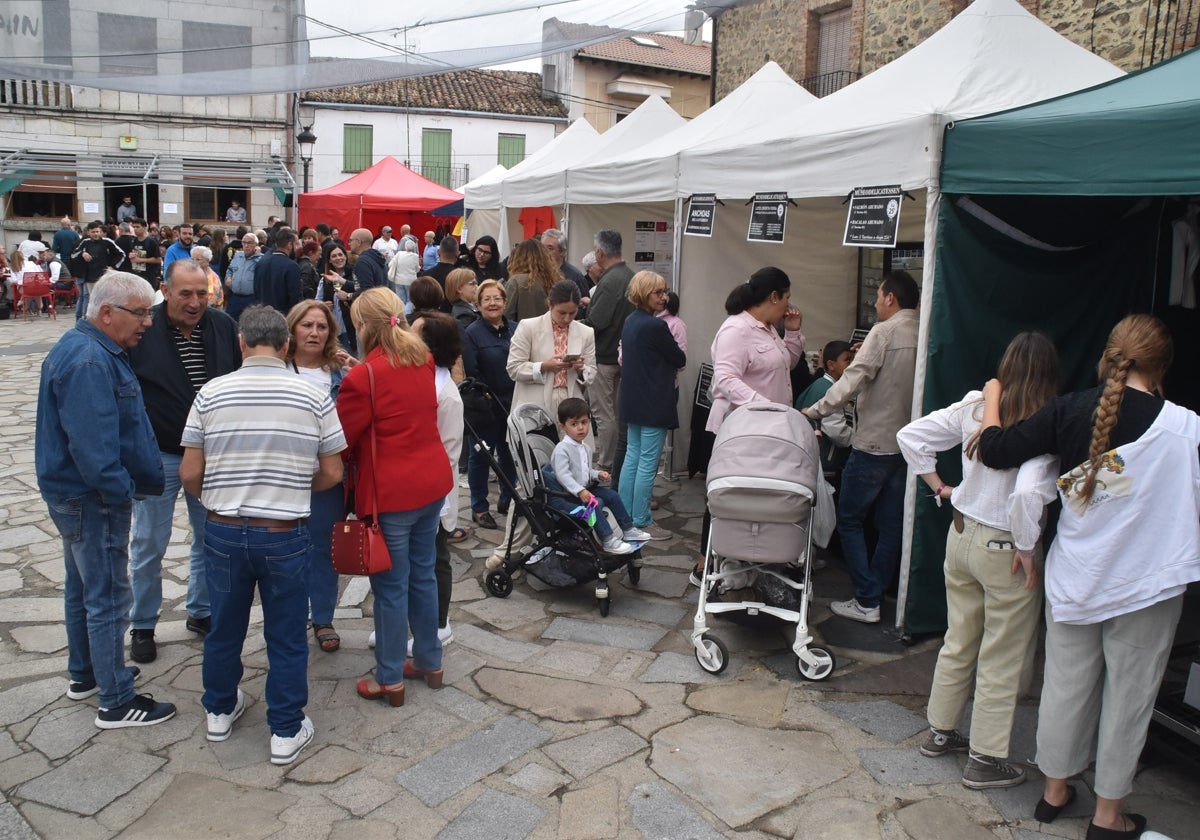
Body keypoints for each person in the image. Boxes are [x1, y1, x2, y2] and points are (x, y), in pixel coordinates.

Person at [978, 314, 1200, 839]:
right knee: (1130, 697)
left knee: (1064, 685)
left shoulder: (1069, 410)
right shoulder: (1186, 428)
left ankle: (1054, 792)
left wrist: (992, 396)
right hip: (1149, 585)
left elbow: (994, 450)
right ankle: (1108, 817)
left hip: (1076, 578)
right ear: (1163, 366)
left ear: (1108, 356)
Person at [181, 305, 344, 765]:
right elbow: (332, 471)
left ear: (241, 342)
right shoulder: (312, 397)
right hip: (284, 531)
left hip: (224, 529)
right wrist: (291, 486)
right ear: (287, 343)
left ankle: (218, 708)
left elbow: (190, 471)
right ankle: (285, 729)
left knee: (224, 626)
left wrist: (216, 497)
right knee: (287, 632)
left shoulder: (211, 392)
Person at [897, 331, 1060, 791]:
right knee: (1003, 654)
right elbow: (1029, 493)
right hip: (1007, 547)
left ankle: (940, 731)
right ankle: (985, 758)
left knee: (959, 638)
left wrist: (939, 487)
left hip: (961, 534)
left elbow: (911, 436)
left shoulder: (975, 406)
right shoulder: (1043, 422)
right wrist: (1028, 548)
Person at [36, 272, 177, 729]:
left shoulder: (87, 349)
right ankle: (116, 700)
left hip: (76, 494)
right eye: (140, 314)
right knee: (108, 599)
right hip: (92, 499)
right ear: (107, 313)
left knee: (82, 590)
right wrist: (122, 494)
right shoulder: (91, 362)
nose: (148, 323)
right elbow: (96, 452)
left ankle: (88, 675)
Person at [336, 288, 453, 708]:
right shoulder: (421, 358)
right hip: (430, 484)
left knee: (389, 587)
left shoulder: (363, 377)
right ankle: (428, 660)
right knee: (422, 576)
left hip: (391, 492)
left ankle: (388, 678)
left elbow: (344, 441)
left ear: (363, 326)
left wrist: (356, 375)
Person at [125, 259, 241, 663]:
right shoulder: (143, 328)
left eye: (201, 294)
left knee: (210, 537)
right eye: (185, 294)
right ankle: (142, 623)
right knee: (148, 542)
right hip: (158, 452)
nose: (194, 303)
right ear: (165, 290)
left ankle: (202, 610)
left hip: (211, 454)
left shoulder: (223, 326)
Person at [803, 270, 918, 624]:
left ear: (890, 299)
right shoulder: (924, 327)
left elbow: (850, 381)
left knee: (849, 520)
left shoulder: (883, 332)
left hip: (874, 443)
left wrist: (815, 410)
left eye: (878, 296)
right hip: (908, 443)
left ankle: (867, 599)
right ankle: (877, 591)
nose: (875, 302)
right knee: (890, 524)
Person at [285, 300, 351, 654]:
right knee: (284, 549)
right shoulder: (278, 370)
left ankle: (323, 616)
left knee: (324, 548)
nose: (314, 332)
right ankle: (291, 616)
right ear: (293, 329)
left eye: (321, 327)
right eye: (307, 325)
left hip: (327, 477)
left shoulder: (339, 372)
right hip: (284, 476)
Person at [618, 272, 685, 540]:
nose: (664, 297)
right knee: (647, 461)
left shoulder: (630, 321)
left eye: (664, 291)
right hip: (654, 400)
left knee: (632, 457)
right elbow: (679, 357)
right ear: (644, 294)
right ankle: (642, 520)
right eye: (658, 292)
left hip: (633, 398)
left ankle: (624, 515)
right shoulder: (656, 326)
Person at [543, 397, 651, 554]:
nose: (581, 428)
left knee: (612, 495)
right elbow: (563, 475)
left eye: (584, 422)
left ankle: (628, 529)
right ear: (563, 426)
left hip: (586, 490)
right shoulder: (562, 449)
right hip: (569, 495)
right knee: (592, 506)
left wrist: (597, 474)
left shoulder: (585, 447)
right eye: (574, 424)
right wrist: (579, 491)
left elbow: (584, 470)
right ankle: (608, 539)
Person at [462, 279, 519, 530]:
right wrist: (484, 394)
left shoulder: (516, 329)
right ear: (478, 303)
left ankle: (508, 498)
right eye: (487, 299)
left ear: (505, 302)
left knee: (510, 454)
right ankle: (479, 507)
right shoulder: (472, 333)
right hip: (485, 406)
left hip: (514, 402)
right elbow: (472, 370)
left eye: (497, 298)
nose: (493, 303)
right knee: (481, 456)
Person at [582, 229, 635, 471]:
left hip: (604, 356)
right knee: (616, 414)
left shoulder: (610, 280)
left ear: (599, 253)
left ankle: (606, 465)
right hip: (625, 355)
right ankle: (616, 464)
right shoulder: (631, 276)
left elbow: (596, 321)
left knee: (604, 415)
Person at [507, 279, 596, 419]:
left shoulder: (586, 332)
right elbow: (513, 368)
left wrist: (581, 370)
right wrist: (543, 366)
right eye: (562, 312)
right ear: (550, 304)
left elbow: (592, 372)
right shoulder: (528, 327)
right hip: (534, 402)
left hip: (572, 404)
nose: (567, 318)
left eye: (572, 313)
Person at [796, 340, 855, 478]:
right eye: (847, 360)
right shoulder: (830, 391)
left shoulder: (818, 384)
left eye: (854, 360)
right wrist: (859, 441)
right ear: (831, 365)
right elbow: (839, 434)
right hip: (825, 460)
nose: (853, 365)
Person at [69, 221, 128, 319]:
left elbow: (121, 254)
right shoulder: (85, 242)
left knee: (106, 299)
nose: (95, 234)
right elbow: (73, 254)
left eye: (97, 232)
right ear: (88, 232)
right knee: (92, 300)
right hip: (90, 276)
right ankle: (93, 319)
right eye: (93, 232)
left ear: (100, 232)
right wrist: (82, 253)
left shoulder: (107, 242)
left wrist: (113, 267)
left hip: (104, 276)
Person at [503, 238, 561, 322]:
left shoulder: (516, 282)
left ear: (518, 259)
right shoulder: (556, 281)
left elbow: (506, 316)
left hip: (522, 332)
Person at [254, 228, 303, 314]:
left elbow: (256, 290)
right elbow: (295, 298)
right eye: (296, 244)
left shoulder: (261, 263)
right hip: (283, 318)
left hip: (262, 316)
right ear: (289, 245)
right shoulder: (291, 266)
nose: (297, 248)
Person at [541, 229, 588, 310]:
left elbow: (584, 308)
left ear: (562, 251)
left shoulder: (575, 276)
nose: (544, 252)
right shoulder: (537, 273)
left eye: (550, 248)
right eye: (542, 248)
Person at [321, 244, 356, 352]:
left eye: (340, 254)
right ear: (330, 260)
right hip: (332, 329)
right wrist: (323, 305)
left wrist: (348, 297)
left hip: (350, 328)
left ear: (346, 257)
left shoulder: (354, 274)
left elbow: (363, 292)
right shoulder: (325, 280)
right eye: (334, 256)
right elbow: (317, 300)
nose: (338, 258)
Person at [224, 232, 262, 322]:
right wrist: (228, 277)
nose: (246, 245)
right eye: (244, 243)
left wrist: (257, 255)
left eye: (249, 243)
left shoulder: (261, 259)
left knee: (249, 324)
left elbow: (262, 272)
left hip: (251, 298)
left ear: (256, 245)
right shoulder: (238, 255)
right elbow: (230, 269)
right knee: (230, 322)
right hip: (235, 297)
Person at [419, 236, 460, 308]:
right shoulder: (460, 277)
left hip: (430, 315)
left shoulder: (425, 275)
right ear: (457, 253)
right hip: (452, 316)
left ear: (438, 252)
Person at [128, 218, 163, 291]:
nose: (135, 229)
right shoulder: (133, 241)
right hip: (136, 274)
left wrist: (141, 260)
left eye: (138, 227)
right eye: (134, 227)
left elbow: (158, 259)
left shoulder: (151, 242)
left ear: (144, 228)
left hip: (148, 276)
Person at [349, 228, 388, 292]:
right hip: (381, 299)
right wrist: (343, 281)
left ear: (359, 242)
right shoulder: (376, 257)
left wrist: (348, 296)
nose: (349, 243)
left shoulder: (362, 261)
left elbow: (367, 291)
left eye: (351, 240)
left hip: (370, 301)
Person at [388, 236, 420, 308]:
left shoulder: (399, 254)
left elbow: (390, 264)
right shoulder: (415, 256)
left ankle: (401, 315)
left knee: (401, 300)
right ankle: (407, 316)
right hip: (410, 281)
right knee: (409, 300)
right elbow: (417, 269)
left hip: (399, 280)